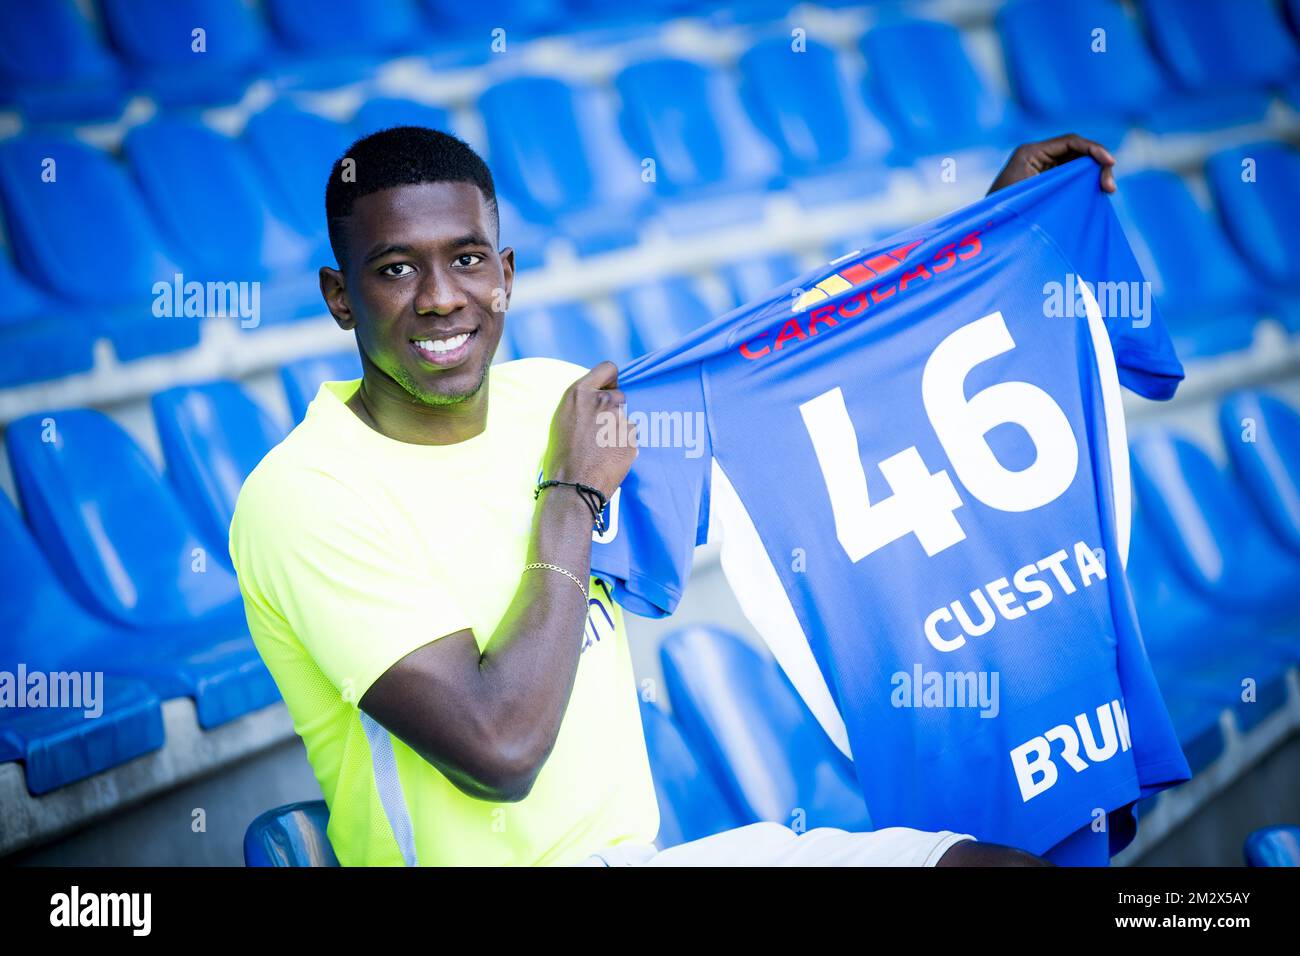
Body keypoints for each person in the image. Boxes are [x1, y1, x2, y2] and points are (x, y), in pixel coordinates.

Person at [229, 125, 1115, 866]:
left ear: (505, 271)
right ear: (340, 298)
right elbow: (498, 751)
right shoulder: (305, 496)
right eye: (394, 270)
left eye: (465, 260)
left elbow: (796, 376)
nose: (440, 299)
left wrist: (985, 237)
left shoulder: (557, 396)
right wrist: (571, 493)